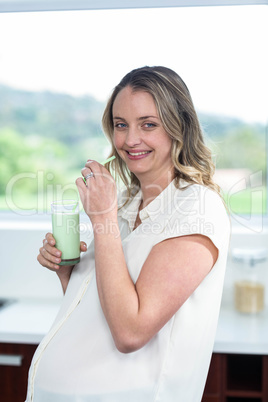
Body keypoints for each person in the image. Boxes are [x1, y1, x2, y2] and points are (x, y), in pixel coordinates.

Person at [26, 66, 230, 402]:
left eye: (148, 124)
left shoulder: (196, 208)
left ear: (179, 127)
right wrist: (68, 273)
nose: (130, 140)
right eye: (121, 125)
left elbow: (130, 332)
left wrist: (102, 217)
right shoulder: (124, 202)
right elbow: (98, 311)